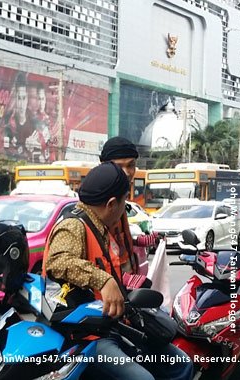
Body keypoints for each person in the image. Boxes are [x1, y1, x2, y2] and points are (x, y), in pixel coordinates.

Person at [44, 162, 192, 380]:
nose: (125, 208)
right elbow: (57, 261)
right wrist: (103, 281)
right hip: (87, 334)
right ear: (112, 203)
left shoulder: (99, 226)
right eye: (125, 202)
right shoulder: (74, 225)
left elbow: (107, 264)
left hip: (113, 323)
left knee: (181, 364)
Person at [100, 136, 157, 279]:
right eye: (119, 166)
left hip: (124, 282)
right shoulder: (96, 203)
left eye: (131, 165)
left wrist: (137, 241)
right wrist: (105, 281)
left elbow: (115, 241)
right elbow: (60, 262)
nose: (126, 172)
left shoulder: (122, 200)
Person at [3, 72, 34, 159]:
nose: (21, 104)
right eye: (19, 98)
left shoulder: (34, 123)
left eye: (24, 98)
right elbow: (3, 149)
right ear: (15, 99)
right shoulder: (7, 122)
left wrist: (33, 148)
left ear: (27, 98)